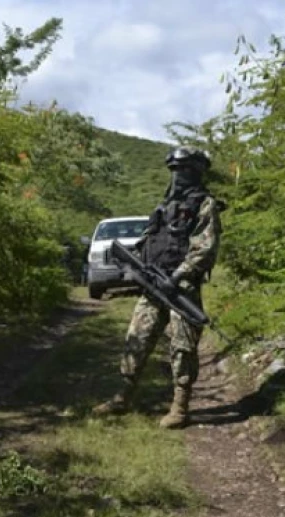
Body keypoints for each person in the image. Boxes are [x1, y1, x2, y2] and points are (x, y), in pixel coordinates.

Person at [92, 146, 223, 429]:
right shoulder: (164, 206)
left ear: (195, 172)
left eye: (183, 170)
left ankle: (180, 407)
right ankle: (122, 396)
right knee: (136, 338)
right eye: (174, 170)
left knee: (182, 346)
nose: (177, 175)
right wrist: (138, 266)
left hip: (181, 288)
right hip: (154, 284)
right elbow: (148, 240)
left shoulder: (204, 204)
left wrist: (177, 277)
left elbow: (205, 249)